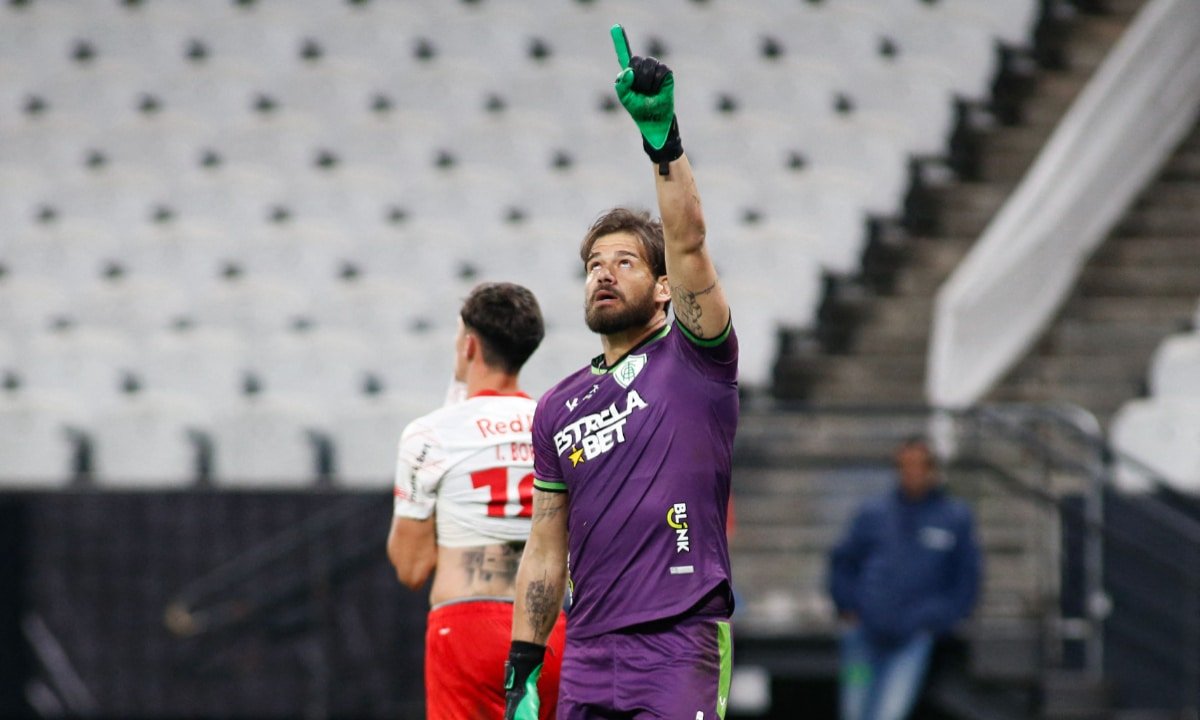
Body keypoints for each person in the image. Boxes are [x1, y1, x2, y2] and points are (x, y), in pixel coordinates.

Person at [503, 25, 738, 720]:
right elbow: (546, 545)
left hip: (679, 640)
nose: (604, 274)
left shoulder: (697, 358)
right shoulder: (557, 406)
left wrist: (662, 141)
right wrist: (524, 660)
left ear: (665, 289)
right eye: (593, 266)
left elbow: (690, 240)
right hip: (588, 651)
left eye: (626, 262)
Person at [387, 282, 567, 720]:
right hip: (550, 628)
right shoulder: (558, 425)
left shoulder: (431, 433)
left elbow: (411, 567)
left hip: (466, 622)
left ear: (469, 346)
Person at [828, 437, 982, 720]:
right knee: (853, 709)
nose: (911, 473)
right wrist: (847, 605)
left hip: (911, 639)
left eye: (918, 466)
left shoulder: (954, 517)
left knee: (889, 712)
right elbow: (842, 561)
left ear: (933, 469)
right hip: (860, 638)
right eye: (904, 466)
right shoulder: (873, 513)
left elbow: (966, 581)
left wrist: (934, 619)